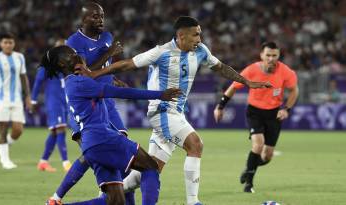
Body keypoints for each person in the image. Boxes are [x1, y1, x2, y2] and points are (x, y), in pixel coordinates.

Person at [79, 16, 271, 205]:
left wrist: (246, 82)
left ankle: (106, 198)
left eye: (200, 35)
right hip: (161, 110)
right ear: (181, 36)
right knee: (195, 144)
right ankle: (193, 202)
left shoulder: (201, 51)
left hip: (176, 113)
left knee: (150, 169)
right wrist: (95, 73)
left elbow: (220, 67)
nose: (200, 39)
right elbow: (128, 63)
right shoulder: (161, 52)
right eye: (196, 35)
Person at [43, 45, 181, 205]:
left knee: (115, 201)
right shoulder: (79, 83)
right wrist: (160, 95)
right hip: (104, 138)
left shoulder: (72, 84)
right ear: (61, 63)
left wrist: (92, 71)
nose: (76, 55)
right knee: (150, 166)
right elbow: (121, 93)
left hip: (91, 146)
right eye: (71, 54)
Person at [47, 2, 136, 204]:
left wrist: (113, 79)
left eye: (102, 16)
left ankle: (108, 195)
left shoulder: (107, 38)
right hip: (86, 107)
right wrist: (108, 53)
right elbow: (82, 75)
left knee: (121, 156)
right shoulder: (74, 43)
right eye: (95, 16)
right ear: (83, 19)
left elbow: (104, 69)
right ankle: (56, 197)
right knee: (92, 153)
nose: (100, 20)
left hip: (107, 104)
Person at [213, 42, 299, 193]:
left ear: (278, 56)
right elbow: (233, 87)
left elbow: (294, 90)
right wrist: (220, 106)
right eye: (268, 55)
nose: (271, 58)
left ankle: (249, 168)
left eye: (274, 55)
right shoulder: (251, 70)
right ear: (261, 55)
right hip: (255, 112)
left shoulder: (286, 72)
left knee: (267, 156)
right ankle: (249, 185)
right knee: (258, 145)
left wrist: (287, 109)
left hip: (274, 114)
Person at [31, 39, 71, 172]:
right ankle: (66, 163)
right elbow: (38, 82)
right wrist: (33, 100)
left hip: (64, 103)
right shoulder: (47, 66)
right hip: (54, 103)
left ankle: (43, 162)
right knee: (61, 130)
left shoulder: (67, 66)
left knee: (55, 132)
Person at [0, 33, 32, 169]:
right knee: (3, 129)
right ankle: (5, 161)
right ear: (1, 44)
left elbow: (23, 77)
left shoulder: (19, 57)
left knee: (18, 130)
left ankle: (3, 146)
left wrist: (27, 96)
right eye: (5, 42)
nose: (8, 45)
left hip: (16, 98)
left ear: (13, 44)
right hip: (1, 98)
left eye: (10, 42)